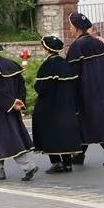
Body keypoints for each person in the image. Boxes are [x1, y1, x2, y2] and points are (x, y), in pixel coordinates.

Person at [65, 12, 104, 167]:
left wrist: (70, 92)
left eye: (71, 26)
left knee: (94, 122)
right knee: (85, 123)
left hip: (85, 91)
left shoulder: (77, 46)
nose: (70, 29)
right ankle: (78, 155)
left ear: (77, 28)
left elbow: (73, 73)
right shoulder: (99, 44)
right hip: (102, 88)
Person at [0, 36, 39, 181]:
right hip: (12, 107)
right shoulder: (10, 63)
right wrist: (19, 101)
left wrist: (10, 103)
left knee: (8, 137)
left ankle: (28, 166)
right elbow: (21, 84)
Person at [32, 35, 81, 173]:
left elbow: (40, 88)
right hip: (66, 105)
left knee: (49, 132)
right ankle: (67, 163)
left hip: (50, 106)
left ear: (47, 49)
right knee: (64, 133)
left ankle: (56, 162)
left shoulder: (47, 65)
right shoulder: (66, 64)